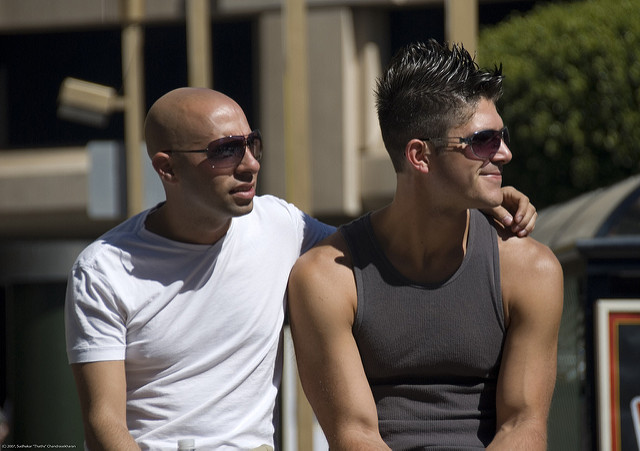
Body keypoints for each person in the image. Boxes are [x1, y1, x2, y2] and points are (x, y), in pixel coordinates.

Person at [65, 87, 537, 450]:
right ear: (166, 168)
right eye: (225, 151)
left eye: (252, 144)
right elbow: (103, 421)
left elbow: (384, 240)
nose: (249, 164)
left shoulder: (280, 226)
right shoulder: (105, 270)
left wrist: (478, 201)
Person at [288, 40, 563, 451]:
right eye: (483, 141)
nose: (504, 153)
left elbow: (523, 426)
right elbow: (354, 434)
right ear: (419, 155)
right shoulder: (326, 277)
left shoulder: (530, 269)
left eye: (502, 137)